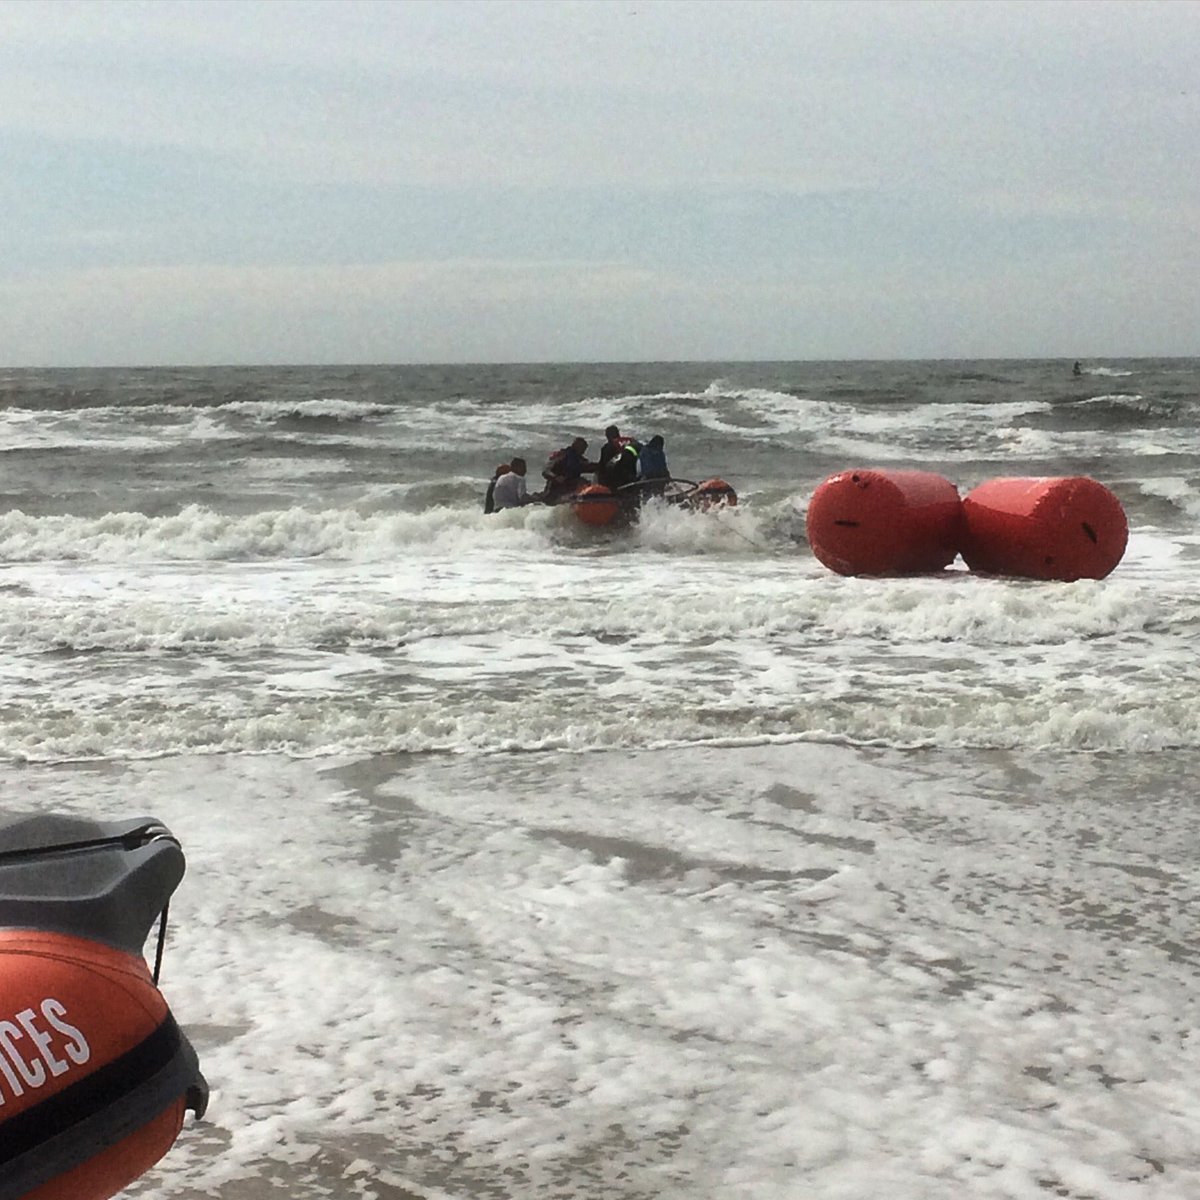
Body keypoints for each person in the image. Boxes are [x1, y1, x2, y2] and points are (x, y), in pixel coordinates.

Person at [542, 437, 597, 502]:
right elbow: (546, 471)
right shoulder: (561, 456)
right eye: (582, 448)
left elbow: (590, 467)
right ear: (574, 446)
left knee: (583, 481)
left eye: (584, 449)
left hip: (571, 491)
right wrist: (556, 477)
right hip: (555, 491)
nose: (583, 452)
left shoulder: (580, 460)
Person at [596, 424, 640, 491]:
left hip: (618, 482)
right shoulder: (632, 441)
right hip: (634, 477)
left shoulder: (608, 447)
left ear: (608, 436)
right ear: (618, 433)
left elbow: (603, 467)